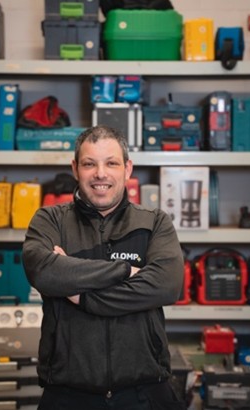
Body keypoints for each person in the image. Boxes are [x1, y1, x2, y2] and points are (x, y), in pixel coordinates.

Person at [22, 125, 186, 410]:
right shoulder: (50, 221)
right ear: (75, 169)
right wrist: (124, 271)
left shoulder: (154, 222)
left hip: (146, 392)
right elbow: (43, 272)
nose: (100, 174)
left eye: (111, 163)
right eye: (89, 164)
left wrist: (82, 295)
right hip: (67, 394)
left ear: (127, 169)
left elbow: (166, 286)